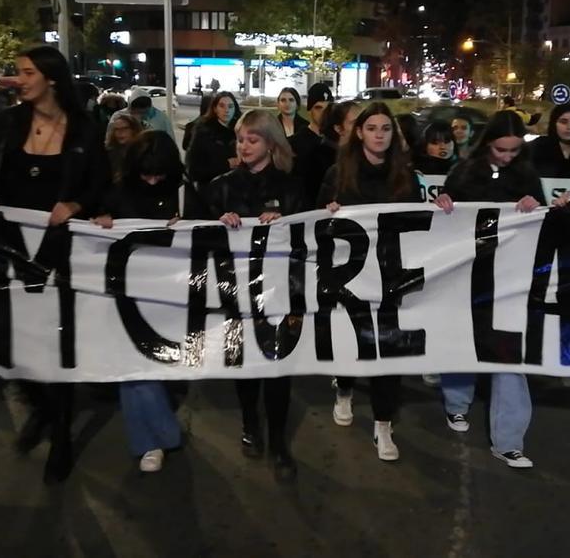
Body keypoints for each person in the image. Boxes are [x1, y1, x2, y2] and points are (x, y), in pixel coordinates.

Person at [0, 46, 109, 484]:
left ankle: (62, 438)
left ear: (51, 78)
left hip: (59, 254)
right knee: (12, 344)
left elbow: (101, 187)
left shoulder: (85, 129)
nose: (20, 79)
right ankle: (43, 409)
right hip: (10, 251)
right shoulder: (9, 124)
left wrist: (77, 203)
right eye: (18, 72)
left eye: (27, 72)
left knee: (56, 345)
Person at [433, 111, 546, 468]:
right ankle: (455, 403)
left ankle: (509, 439)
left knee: (510, 353)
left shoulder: (527, 175)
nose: (507, 157)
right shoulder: (464, 172)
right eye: (501, 149)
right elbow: (440, 213)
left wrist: (535, 206)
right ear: (488, 144)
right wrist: (443, 204)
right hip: (468, 273)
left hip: (511, 276)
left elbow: (542, 220)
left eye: (513, 151)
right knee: (464, 340)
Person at [317, 102, 422, 461]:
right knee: (351, 342)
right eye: (372, 128)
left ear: (394, 135)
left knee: (388, 350)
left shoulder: (406, 176)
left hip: (391, 275)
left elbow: (418, 223)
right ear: (359, 132)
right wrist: (327, 214)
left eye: (386, 129)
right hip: (351, 276)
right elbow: (315, 223)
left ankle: (382, 424)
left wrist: (441, 207)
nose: (379, 135)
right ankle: (344, 388)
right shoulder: (338, 173)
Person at [204, 110, 304, 482]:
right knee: (242, 365)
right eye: (240, 139)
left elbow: (306, 239)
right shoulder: (220, 186)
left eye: (252, 139)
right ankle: (250, 424)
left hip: (278, 292)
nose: (244, 146)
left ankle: (278, 441)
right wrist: (220, 222)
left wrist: (285, 226)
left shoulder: (292, 187)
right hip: (234, 291)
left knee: (277, 369)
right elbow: (196, 235)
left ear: (271, 143)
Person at [92, 131, 184, 474]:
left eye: (159, 174)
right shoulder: (118, 191)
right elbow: (95, 223)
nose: (152, 180)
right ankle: (152, 440)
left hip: (170, 293)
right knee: (132, 367)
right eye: (146, 173)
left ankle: (158, 436)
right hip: (125, 291)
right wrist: (100, 223)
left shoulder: (183, 189)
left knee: (152, 366)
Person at [186, 91, 240, 193]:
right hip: (210, 191)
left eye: (230, 106)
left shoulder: (240, 131)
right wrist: (225, 164)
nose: (226, 110)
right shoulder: (203, 132)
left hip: (236, 190)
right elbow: (193, 169)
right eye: (222, 106)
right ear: (215, 109)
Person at [290, 84, 333, 204]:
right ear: (310, 110)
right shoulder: (295, 142)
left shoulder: (336, 142)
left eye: (327, 108)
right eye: (318, 108)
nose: (324, 113)